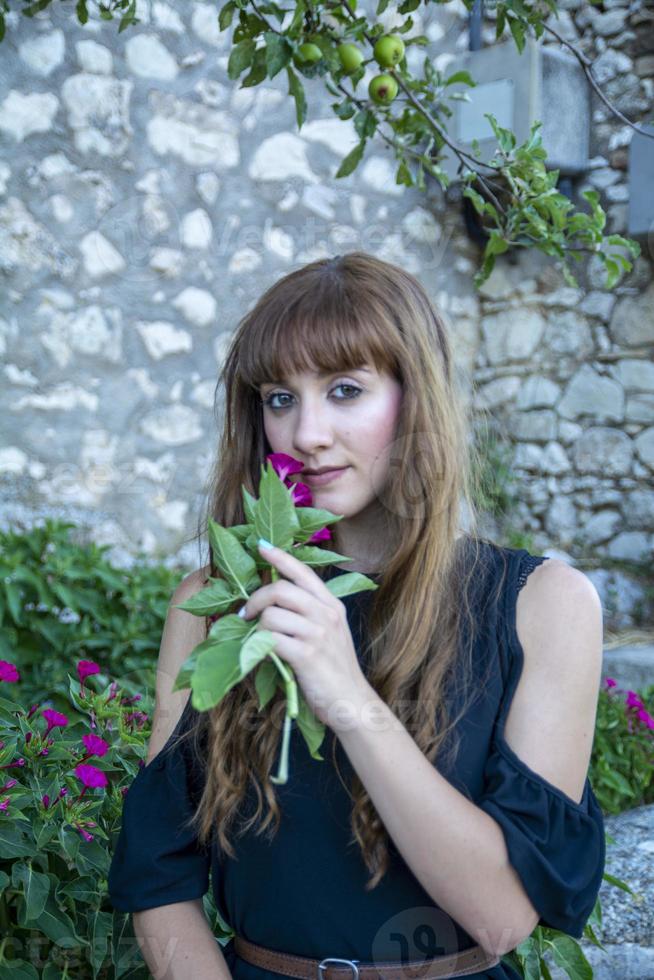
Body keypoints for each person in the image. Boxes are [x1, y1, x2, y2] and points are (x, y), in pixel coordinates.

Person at [108, 252, 606, 980]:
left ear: (415, 399)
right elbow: (159, 871)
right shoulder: (217, 599)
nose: (306, 433)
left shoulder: (542, 605)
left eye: (345, 390)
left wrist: (346, 697)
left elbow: (502, 916)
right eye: (280, 398)